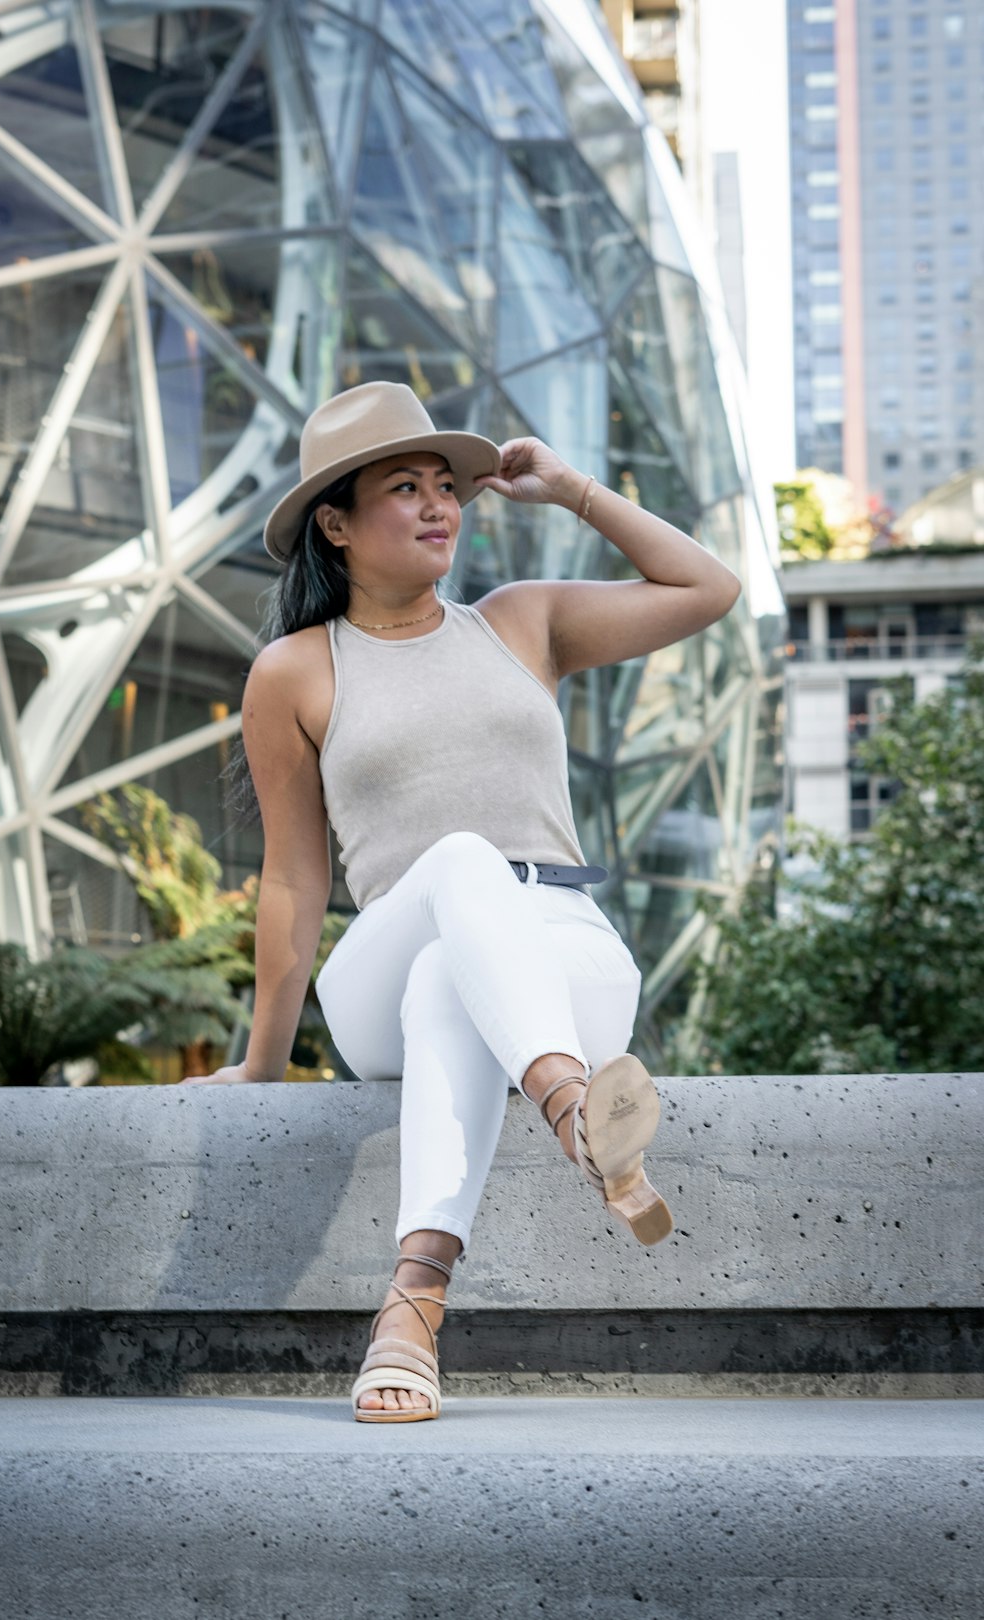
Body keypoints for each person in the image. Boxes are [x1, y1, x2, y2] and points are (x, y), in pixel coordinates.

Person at [181, 379, 742, 1423]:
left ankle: (414, 1307)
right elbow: (298, 878)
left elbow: (707, 589)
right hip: (385, 963)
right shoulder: (296, 671)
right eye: (407, 486)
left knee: (461, 971)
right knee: (456, 877)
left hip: (561, 946)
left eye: (449, 484)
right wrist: (262, 1061)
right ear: (336, 525)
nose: (440, 503)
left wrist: (573, 490)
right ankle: (579, 1116)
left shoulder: (522, 623)